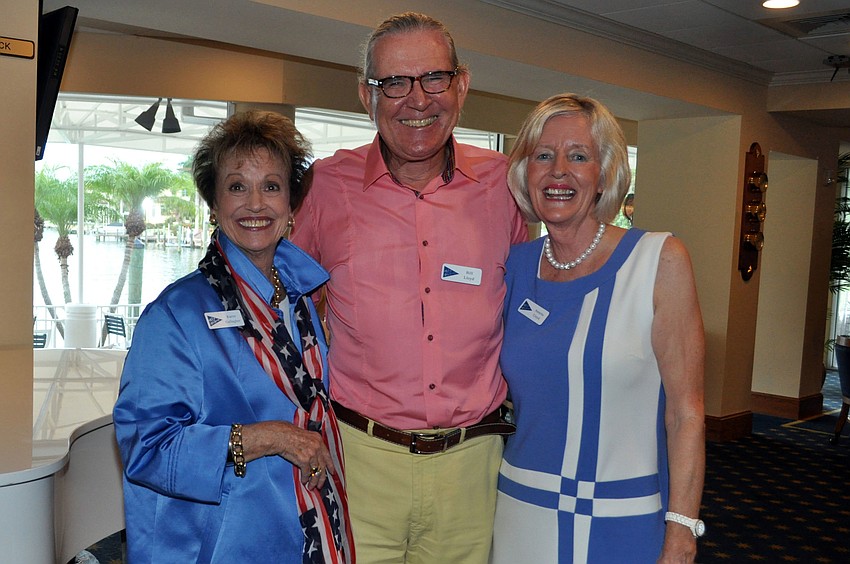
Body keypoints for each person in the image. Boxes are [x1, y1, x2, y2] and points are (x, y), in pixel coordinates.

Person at [291, 12, 527, 563]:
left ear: (461, 85)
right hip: (358, 458)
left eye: (433, 78)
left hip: (473, 468)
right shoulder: (326, 186)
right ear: (365, 96)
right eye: (393, 82)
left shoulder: (505, 186)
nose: (416, 100)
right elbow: (286, 309)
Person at [113, 110, 353, 563]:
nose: (256, 204)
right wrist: (273, 438)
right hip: (226, 542)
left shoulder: (302, 299)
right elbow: (147, 448)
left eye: (272, 186)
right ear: (214, 203)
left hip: (309, 526)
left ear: (291, 205)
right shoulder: (175, 315)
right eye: (237, 186)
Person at [491, 93, 705, 563]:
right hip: (521, 510)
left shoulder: (659, 260)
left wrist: (682, 530)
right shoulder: (514, 267)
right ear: (525, 172)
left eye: (578, 156)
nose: (558, 171)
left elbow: (686, 413)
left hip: (624, 518)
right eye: (543, 156)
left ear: (605, 172)